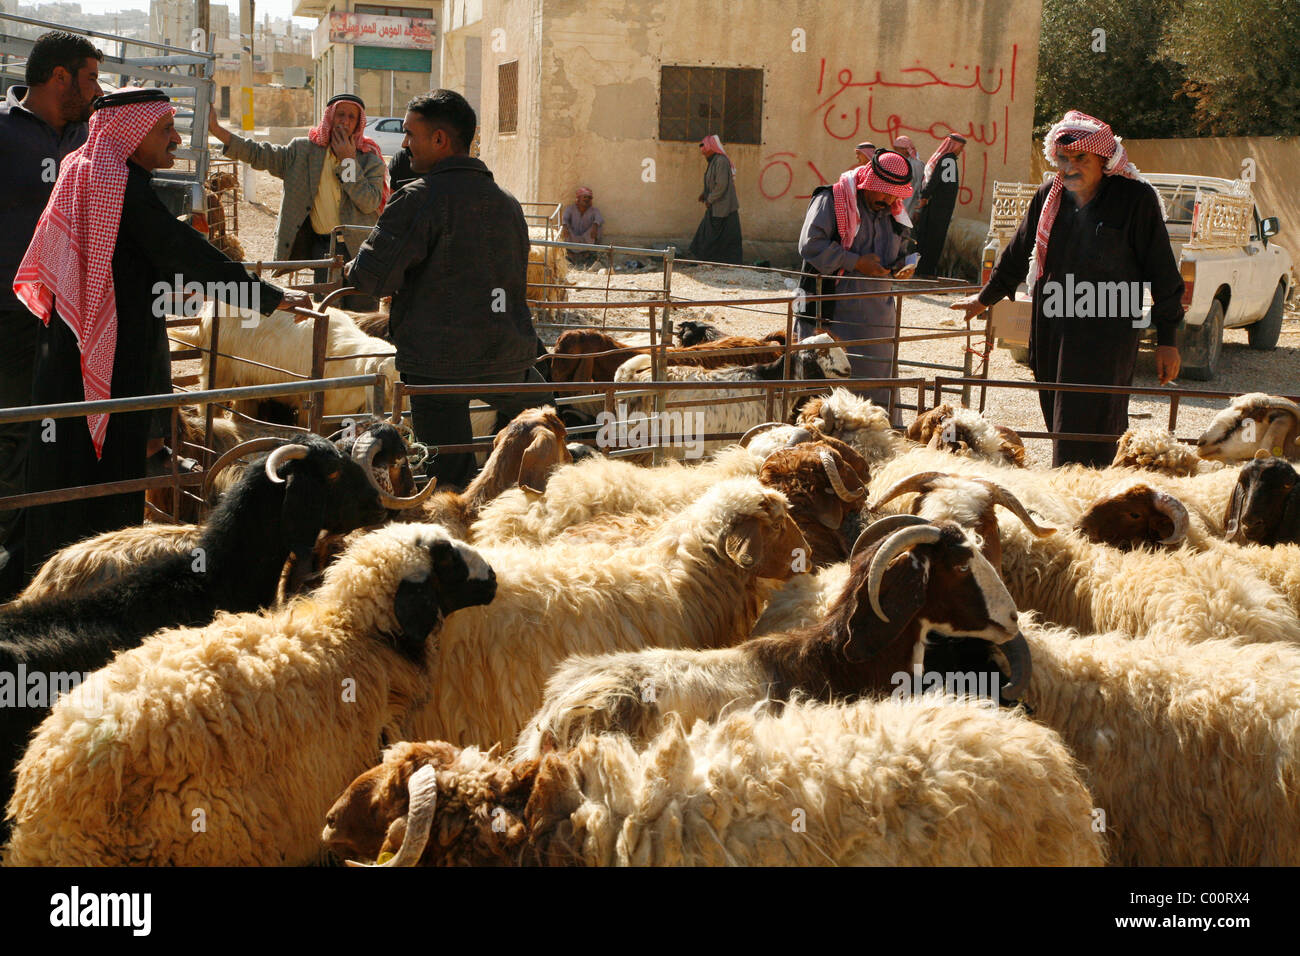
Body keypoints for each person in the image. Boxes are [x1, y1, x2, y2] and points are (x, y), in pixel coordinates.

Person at [12, 89, 305, 581]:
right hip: (111, 356)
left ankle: (50, 575)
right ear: (129, 135)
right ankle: (96, 579)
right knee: (108, 475)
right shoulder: (118, 184)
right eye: (164, 128)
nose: (176, 139)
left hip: (73, 348)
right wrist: (266, 297)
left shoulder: (87, 169)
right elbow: (184, 252)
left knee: (64, 469)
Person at [951, 110, 1183, 467]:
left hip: (1108, 327)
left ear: (1104, 159)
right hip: (1053, 327)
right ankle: (1079, 483)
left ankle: (1086, 491)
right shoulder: (1049, 195)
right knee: (1059, 413)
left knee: (1097, 422)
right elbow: (1017, 250)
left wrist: (1168, 339)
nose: (1070, 167)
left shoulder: (1134, 199)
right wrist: (984, 299)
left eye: (1080, 158)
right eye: (1064, 158)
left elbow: (1163, 272)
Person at [345, 90, 551, 489]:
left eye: (410, 134)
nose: (404, 144)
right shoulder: (507, 202)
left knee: (449, 481)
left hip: (438, 367)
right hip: (509, 357)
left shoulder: (418, 199)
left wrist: (353, 264)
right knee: (533, 458)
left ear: (440, 140)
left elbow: (370, 279)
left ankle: (457, 529)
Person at [0, 31, 102, 592]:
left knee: (59, 439)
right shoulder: (4, 133)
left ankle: (43, 565)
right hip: (11, 320)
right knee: (14, 436)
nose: (96, 89)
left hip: (72, 324)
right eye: (88, 78)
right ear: (59, 77)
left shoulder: (94, 138)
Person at [209, 92, 388, 306]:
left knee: (363, 315)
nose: (345, 121)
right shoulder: (303, 152)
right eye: (340, 114)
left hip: (360, 250)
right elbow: (259, 153)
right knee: (329, 315)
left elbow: (368, 202)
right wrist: (217, 131)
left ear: (359, 123)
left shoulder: (370, 159)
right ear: (329, 117)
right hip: (324, 250)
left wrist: (348, 161)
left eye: (352, 117)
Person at [796, 149, 916, 422]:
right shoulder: (832, 199)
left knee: (877, 384)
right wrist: (856, 262)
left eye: (892, 195)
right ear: (868, 183)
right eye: (882, 192)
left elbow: (901, 245)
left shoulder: (893, 210)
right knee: (827, 385)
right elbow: (809, 244)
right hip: (832, 313)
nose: (887, 200)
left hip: (877, 317)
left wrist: (901, 266)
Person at [912, 133, 966, 277]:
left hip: (938, 208)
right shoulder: (948, 160)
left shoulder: (948, 160)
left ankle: (923, 269)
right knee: (933, 239)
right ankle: (925, 271)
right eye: (960, 147)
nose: (961, 150)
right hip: (938, 209)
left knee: (929, 238)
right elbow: (935, 181)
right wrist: (925, 196)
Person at [687, 133, 742, 264]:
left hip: (723, 207)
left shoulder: (721, 161)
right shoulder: (714, 161)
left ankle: (706, 260)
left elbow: (721, 185)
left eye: (705, 149)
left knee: (713, 235)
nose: (703, 153)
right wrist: (704, 194)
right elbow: (712, 182)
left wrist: (710, 199)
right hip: (717, 206)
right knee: (712, 234)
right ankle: (708, 260)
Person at [559, 186, 604, 265]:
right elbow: (564, 218)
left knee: (598, 226)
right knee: (563, 226)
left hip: (586, 239)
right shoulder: (570, 208)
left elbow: (599, 218)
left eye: (589, 198)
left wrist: (595, 225)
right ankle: (570, 253)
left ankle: (588, 253)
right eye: (585, 197)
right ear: (578, 198)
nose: (587, 199)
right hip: (572, 237)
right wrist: (565, 227)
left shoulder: (594, 210)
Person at [892, 135, 925, 220]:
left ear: (905, 150)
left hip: (909, 207)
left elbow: (921, 187)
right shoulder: (895, 162)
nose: (895, 151)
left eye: (897, 149)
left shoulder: (917, 165)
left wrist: (918, 210)